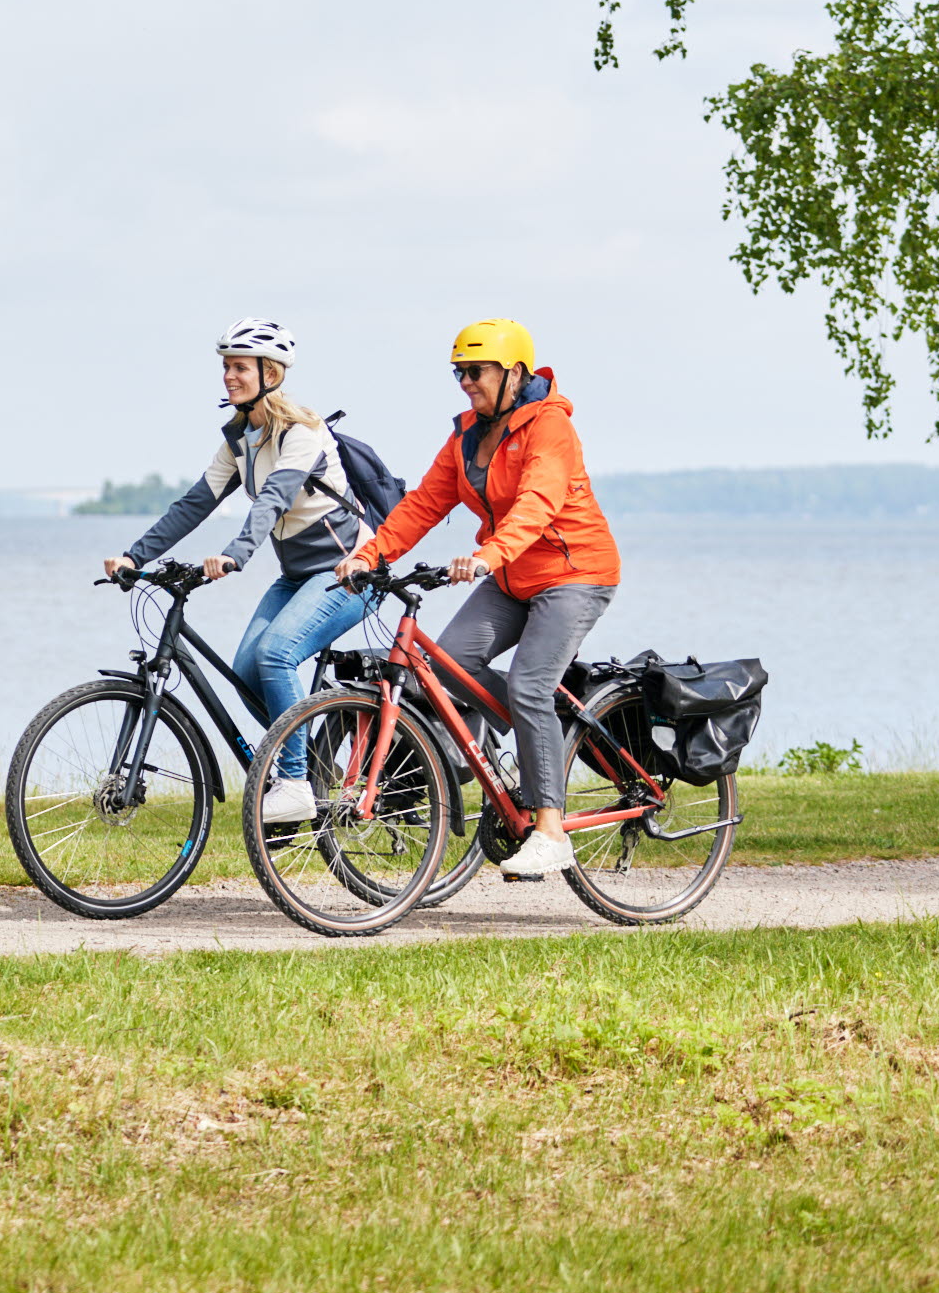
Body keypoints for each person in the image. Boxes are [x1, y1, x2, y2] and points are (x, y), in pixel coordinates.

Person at [335, 318, 620, 878]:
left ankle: (550, 830)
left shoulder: (550, 426)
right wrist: (371, 554)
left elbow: (537, 504)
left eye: (476, 371)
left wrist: (489, 554)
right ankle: (546, 732)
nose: (466, 382)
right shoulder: (467, 434)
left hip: (574, 572)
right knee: (448, 665)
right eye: (459, 373)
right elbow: (423, 504)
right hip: (512, 576)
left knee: (529, 684)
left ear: (515, 373)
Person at [103, 320, 378, 823]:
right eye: (226, 367)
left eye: (240, 367)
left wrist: (235, 554)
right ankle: (314, 765)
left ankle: (293, 783)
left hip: (349, 572)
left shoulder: (303, 434)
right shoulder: (240, 440)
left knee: (276, 654)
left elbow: (272, 500)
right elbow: (194, 504)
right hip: (298, 575)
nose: (229, 376)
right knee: (247, 672)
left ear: (270, 374)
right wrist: (135, 556)